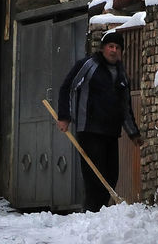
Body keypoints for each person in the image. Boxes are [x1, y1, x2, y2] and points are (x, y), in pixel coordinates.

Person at [55, 30, 143, 212]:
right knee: (95, 176)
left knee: (111, 176)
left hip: (111, 132)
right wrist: (64, 117)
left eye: (118, 47)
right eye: (110, 46)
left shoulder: (121, 75)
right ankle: (91, 213)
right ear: (103, 48)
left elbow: (125, 107)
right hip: (89, 130)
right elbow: (67, 87)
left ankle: (100, 214)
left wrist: (133, 133)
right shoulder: (89, 65)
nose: (113, 50)